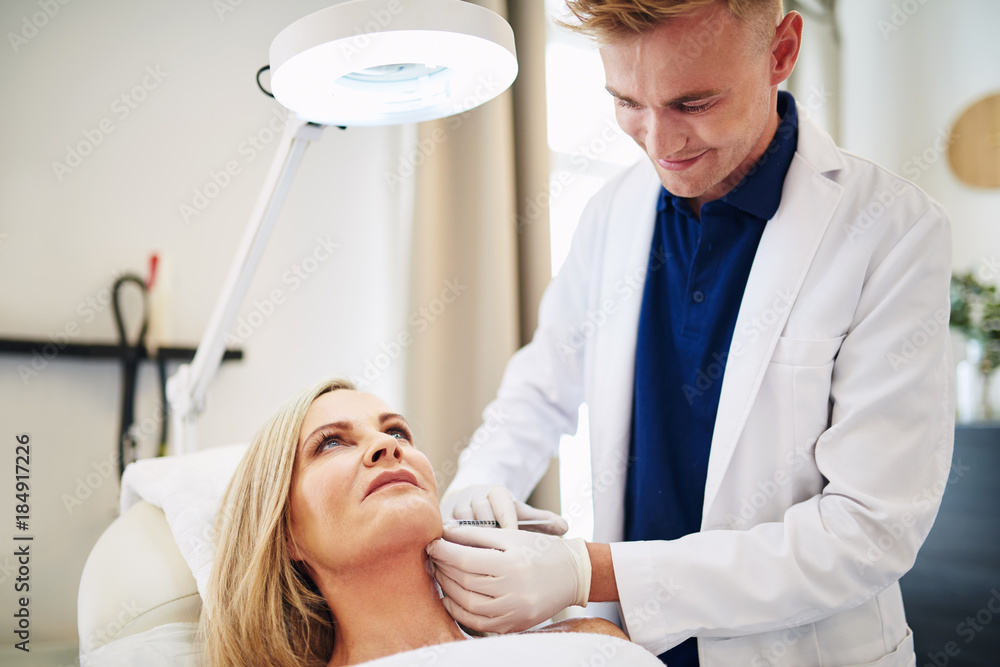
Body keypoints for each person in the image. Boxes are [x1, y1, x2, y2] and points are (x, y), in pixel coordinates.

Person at [426, 0, 955, 665]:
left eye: (694, 103)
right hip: (631, 648)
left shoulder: (891, 231)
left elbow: (868, 532)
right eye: (627, 102)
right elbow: (539, 391)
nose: (659, 143)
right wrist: (478, 488)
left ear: (782, 51)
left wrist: (587, 570)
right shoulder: (611, 211)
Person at [203, 378, 645, 667]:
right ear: (285, 536)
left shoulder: (587, 646)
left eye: (397, 433)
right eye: (331, 443)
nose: (385, 445)